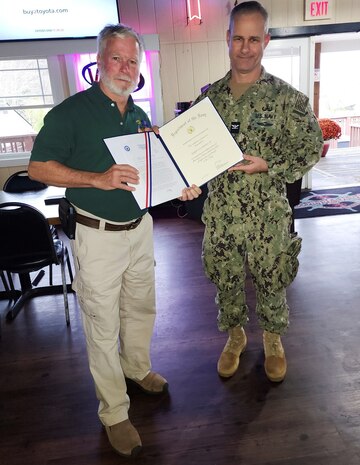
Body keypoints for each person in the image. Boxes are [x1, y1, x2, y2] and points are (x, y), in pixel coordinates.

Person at [28, 24, 200, 458]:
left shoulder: (138, 116)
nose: (125, 68)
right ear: (99, 62)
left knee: (141, 307)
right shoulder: (70, 113)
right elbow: (38, 168)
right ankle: (114, 413)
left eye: (132, 60)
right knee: (102, 326)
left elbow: (147, 173)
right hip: (97, 236)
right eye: (117, 58)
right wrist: (96, 180)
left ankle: (137, 368)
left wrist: (176, 184)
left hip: (140, 231)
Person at [192, 1, 323, 382]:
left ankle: (272, 339)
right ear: (227, 39)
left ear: (265, 40)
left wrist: (269, 164)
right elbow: (192, 154)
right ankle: (235, 338)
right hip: (222, 214)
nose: (245, 47)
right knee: (226, 278)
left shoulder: (287, 99)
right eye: (238, 38)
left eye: (253, 39)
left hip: (268, 213)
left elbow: (309, 147)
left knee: (272, 276)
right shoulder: (209, 100)